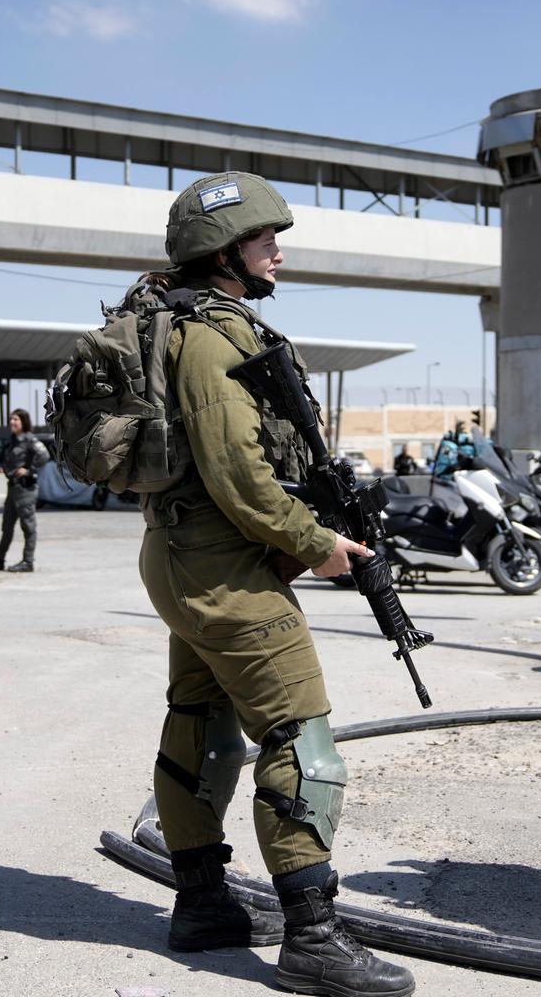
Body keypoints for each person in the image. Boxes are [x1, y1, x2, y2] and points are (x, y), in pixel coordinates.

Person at [138, 172, 413, 996]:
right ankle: (313, 937)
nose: (278, 255)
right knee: (301, 741)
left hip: (181, 559)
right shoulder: (215, 340)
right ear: (225, 255)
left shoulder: (174, 325)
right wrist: (319, 544)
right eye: (265, 242)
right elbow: (240, 476)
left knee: (201, 724)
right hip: (228, 571)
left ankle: (203, 904)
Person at [0, 410, 49, 573]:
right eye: (10, 419)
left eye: (15, 419)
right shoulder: (11, 441)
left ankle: (28, 561)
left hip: (25, 489)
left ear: (23, 421)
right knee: (7, 526)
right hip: (13, 488)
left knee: (28, 527)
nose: (12, 422)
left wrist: (29, 470)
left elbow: (45, 455)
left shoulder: (30, 439)